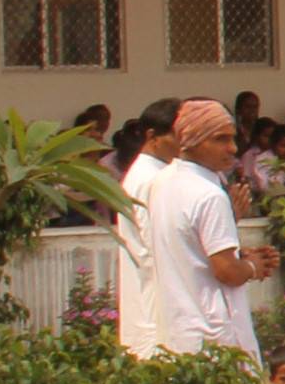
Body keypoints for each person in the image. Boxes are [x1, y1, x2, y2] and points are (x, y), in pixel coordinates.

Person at [148, 98, 272, 359]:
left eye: (232, 138)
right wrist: (253, 267)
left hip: (177, 331)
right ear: (191, 140)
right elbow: (227, 271)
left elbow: (192, 250)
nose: (232, 148)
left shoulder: (163, 181)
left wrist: (242, 254)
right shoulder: (208, 194)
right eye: (220, 139)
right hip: (215, 337)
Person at [111, 103, 180, 359]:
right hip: (154, 296)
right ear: (152, 137)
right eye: (177, 134)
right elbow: (157, 243)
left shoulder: (160, 174)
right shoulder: (149, 179)